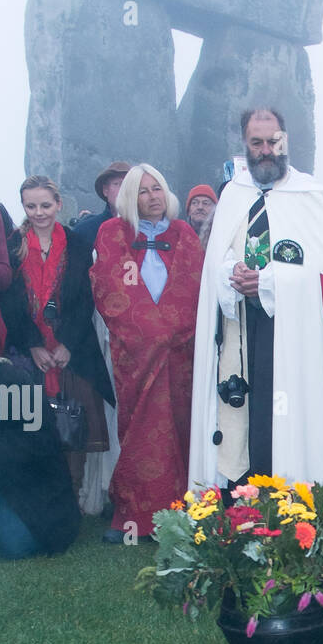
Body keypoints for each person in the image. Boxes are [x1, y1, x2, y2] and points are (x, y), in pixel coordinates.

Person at [189, 107, 323, 489]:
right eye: (256, 143)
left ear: (285, 140)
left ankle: (288, 499)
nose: (265, 150)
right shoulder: (234, 195)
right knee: (238, 414)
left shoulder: (309, 196)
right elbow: (214, 263)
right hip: (238, 325)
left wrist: (270, 281)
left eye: (272, 141)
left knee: (279, 415)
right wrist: (232, 274)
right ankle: (236, 501)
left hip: (293, 335)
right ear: (245, 145)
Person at [91, 163, 203, 541]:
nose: (152, 197)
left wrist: (168, 333)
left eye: (157, 189)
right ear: (129, 196)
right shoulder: (112, 233)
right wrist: (152, 335)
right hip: (135, 355)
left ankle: (181, 512)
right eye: (143, 190)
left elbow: (192, 288)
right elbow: (113, 290)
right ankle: (135, 515)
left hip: (178, 354)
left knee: (180, 428)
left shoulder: (184, 234)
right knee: (140, 430)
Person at [0, 176, 114, 501]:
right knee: (30, 425)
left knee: (73, 427)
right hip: (26, 353)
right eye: (31, 206)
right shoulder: (13, 246)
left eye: (45, 205)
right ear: (23, 206)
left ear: (59, 204)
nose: (39, 213)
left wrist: (67, 343)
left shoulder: (78, 244)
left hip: (72, 351)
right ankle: (34, 498)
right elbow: (9, 302)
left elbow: (85, 300)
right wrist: (34, 344)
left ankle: (73, 494)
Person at [0, 356, 79, 558]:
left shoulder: (13, 382)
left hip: (36, 505)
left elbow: (37, 445)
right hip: (14, 492)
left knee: (16, 546)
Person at [73, 161, 133, 256]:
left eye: (129, 185)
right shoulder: (85, 231)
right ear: (106, 190)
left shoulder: (147, 231)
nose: (124, 190)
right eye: (118, 184)